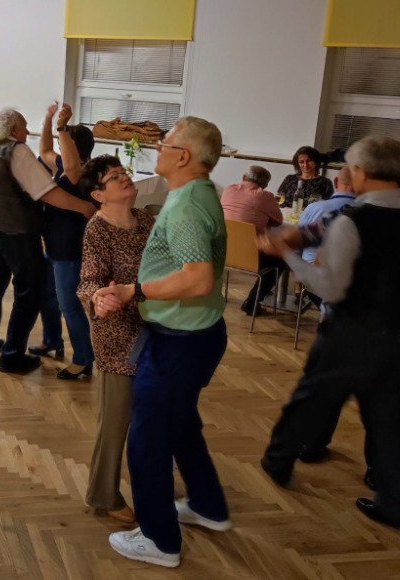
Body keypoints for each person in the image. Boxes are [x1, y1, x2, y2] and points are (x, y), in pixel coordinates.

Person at [258, 135, 400, 530]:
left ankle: (277, 462)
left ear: (361, 172)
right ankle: (396, 504)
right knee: (387, 419)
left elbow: (330, 287)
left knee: (309, 400)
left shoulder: (354, 221)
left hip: (352, 334)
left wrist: (288, 255)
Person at [94, 116, 230, 569]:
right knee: (182, 426)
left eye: (165, 143)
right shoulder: (199, 192)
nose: (158, 147)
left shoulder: (187, 205)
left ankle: (159, 541)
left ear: (183, 156)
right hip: (194, 335)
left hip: (179, 342)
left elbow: (197, 278)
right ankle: (208, 506)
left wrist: (133, 290)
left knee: (147, 443)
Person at [0, 107, 95, 374]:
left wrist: (49, 119)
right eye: (25, 127)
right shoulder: (17, 151)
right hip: (16, 232)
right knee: (28, 292)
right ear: (14, 129)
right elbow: (45, 192)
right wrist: (83, 207)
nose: (27, 132)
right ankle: (12, 355)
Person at [77, 155, 154, 525]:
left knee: (155, 412)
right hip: (117, 336)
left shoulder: (146, 220)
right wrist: (98, 298)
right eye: (114, 176)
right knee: (115, 420)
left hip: (155, 327)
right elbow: (89, 280)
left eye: (124, 172)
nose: (124, 177)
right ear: (98, 194)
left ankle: (155, 480)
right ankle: (103, 494)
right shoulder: (98, 230)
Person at [34, 101, 96, 379]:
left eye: (63, 142)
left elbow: (70, 166)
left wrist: (61, 126)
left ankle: (83, 359)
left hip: (69, 249)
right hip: (54, 244)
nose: (58, 147)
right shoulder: (63, 165)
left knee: (68, 305)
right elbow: (45, 152)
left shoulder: (83, 172)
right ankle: (51, 340)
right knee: (47, 295)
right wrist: (48, 120)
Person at [219, 165, 284, 316]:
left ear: (243, 177)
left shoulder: (228, 189)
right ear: (265, 185)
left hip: (223, 252)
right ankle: (252, 301)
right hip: (250, 256)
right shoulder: (265, 196)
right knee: (281, 258)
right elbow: (278, 221)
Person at [297, 165, 356, 264]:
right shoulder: (367, 212)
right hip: (348, 270)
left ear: (336, 181)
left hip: (310, 267)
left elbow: (297, 244)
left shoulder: (314, 208)